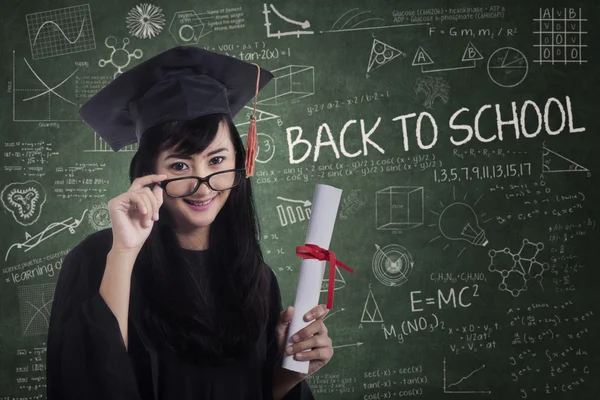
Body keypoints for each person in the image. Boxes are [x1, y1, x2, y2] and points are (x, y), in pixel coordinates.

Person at [46, 46, 332, 399]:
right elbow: (87, 383)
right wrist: (124, 252)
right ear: (149, 173)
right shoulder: (98, 259)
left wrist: (287, 374)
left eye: (217, 160)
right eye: (180, 166)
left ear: (240, 163)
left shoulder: (254, 276)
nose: (203, 184)